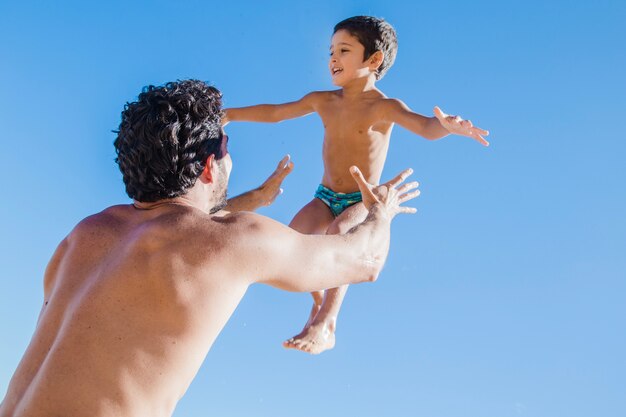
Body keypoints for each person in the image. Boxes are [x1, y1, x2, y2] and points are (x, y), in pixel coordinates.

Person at [0, 79, 419, 417]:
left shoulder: (83, 237)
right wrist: (381, 212)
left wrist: (252, 199)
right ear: (208, 166)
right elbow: (364, 260)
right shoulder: (236, 240)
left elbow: (172, 231)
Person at [224, 15, 490, 354]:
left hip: (361, 200)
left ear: (374, 59)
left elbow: (425, 128)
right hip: (323, 196)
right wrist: (230, 113)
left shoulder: (384, 106)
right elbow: (277, 112)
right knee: (290, 243)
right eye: (331, 51)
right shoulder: (324, 100)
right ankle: (318, 303)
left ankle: (326, 322)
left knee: (339, 237)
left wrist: (449, 127)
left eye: (344, 50)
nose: (333, 58)